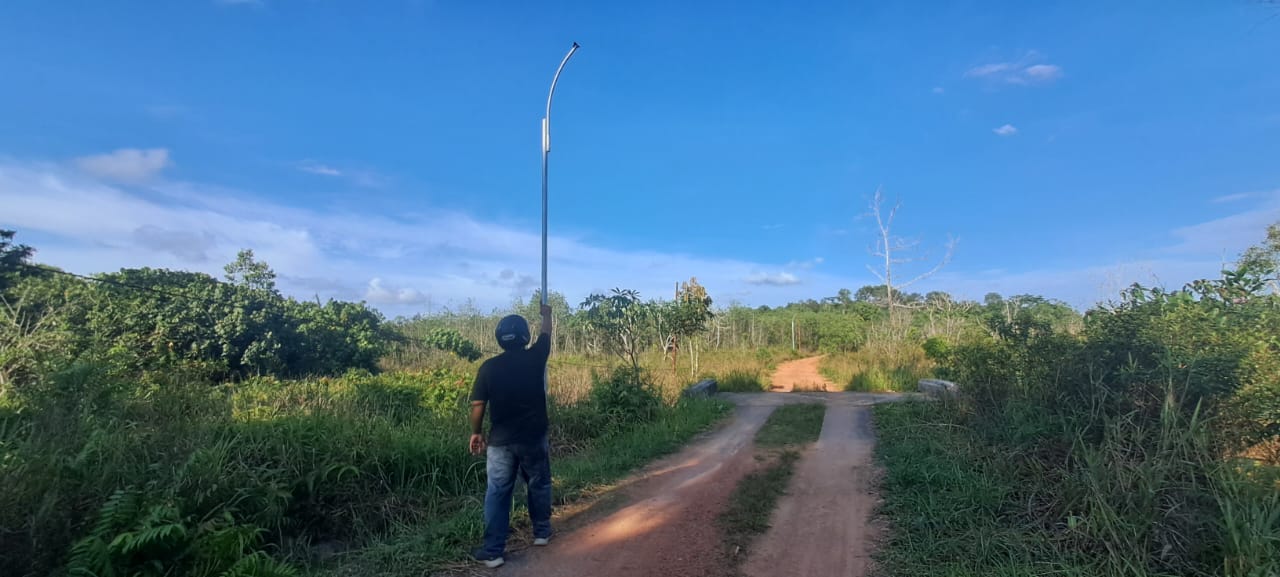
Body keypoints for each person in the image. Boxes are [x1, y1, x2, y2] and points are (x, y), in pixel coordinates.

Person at [469, 304, 554, 569]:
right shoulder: (536, 357)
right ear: (524, 337)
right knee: (539, 482)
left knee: (498, 492)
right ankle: (541, 533)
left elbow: (478, 405)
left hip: (500, 442)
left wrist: (476, 432)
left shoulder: (488, 368)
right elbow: (546, 335)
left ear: (499, 338)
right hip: (533, 437)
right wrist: (547, 315)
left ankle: (493, 551)